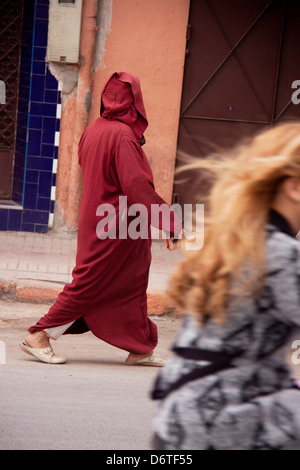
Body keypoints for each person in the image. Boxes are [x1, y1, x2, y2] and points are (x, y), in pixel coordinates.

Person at [151, 122, 300, 450]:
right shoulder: (282, 253)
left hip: (175, 421)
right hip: (222, 427)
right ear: (294, 188)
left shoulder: (233, 240)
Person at [20, 71, 182, 366]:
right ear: (135, 102)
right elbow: (137, 187)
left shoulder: (94, 129)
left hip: (106, 222)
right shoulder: (122, 137)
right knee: (89, 284)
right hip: (115, 227)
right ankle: (39, 335)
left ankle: (140, 347)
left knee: (130, 282)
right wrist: (172, 224)